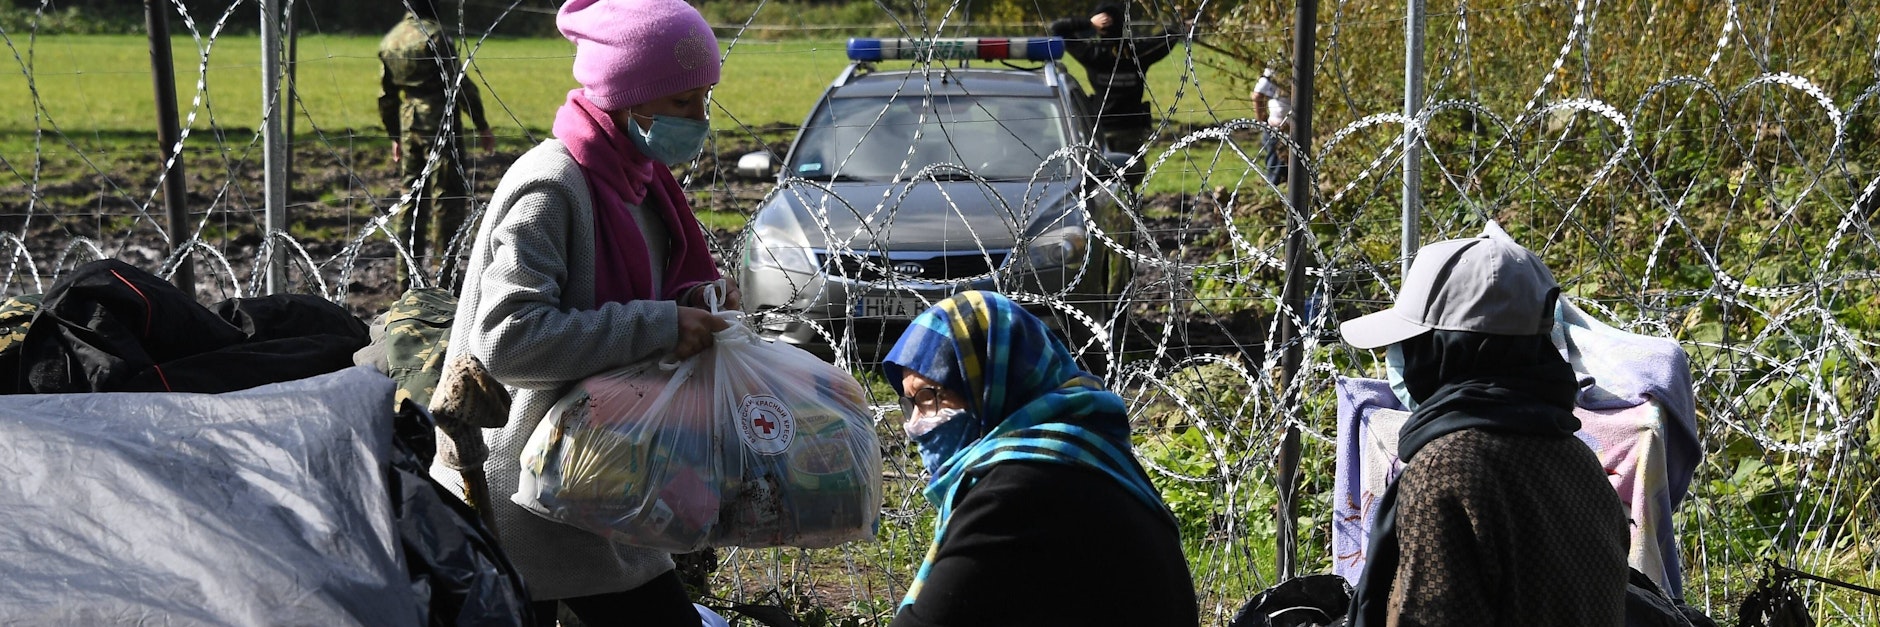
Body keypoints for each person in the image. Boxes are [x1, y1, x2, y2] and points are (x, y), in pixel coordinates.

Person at [434, 0, 740, 624]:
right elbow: (508, 340)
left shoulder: (642, 182)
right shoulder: (553, 186)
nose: (700, 119)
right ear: (629, 96)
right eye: (683, 102)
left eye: (704, 98)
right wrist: (658, 326)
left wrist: (690, 305)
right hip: (523, 492)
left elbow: (624, 297)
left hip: (596, 473)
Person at [1338, 230, 1629, 626]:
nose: (1399, 357)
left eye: (1412, 341)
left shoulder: (1445, 471)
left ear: (1447, 348)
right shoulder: (1576, 458)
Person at [881, 290, 1198, 627]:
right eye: (909, 404)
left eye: (929, 397)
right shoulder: (1087, 455)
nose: (914, 425)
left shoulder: (1018, 493)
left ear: (987, 385)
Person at [378, 0, 495, 291]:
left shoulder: (391, 38)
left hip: (408, 122)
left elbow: (387, 96)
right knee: (448, 200)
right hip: (441, 122)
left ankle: (407, 279)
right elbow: (459, 82)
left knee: (411, 200)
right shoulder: (436, 36)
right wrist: (480, 123)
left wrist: (395, 135)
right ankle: (447, 278)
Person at [1050, 3, 1186, 187]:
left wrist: (1088, 23)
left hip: (1099, 128)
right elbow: (1167, 38)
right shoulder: (1138, 52)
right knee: (1128, 181)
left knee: (1098, 183)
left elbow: (1058, 28)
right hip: (1131, 128)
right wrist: (1179, 19)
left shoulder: (1093, 54)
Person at [1249, 66, 1290, 185]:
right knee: (1276, 175)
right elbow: (1257, 96)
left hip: (1287, 129)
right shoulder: (1276, 68)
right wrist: (1262, 120)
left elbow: (1257, 96)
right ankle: (1277, 197)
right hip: (1278, 130)